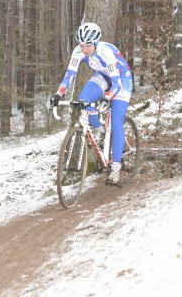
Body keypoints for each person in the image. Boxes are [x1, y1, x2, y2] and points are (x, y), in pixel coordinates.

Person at [48, 22, 134, 185]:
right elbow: (69, 76)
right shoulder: (78, 51)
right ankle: (101, 132)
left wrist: (107, 97)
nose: (84, 49)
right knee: (84, 100)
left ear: (95, 43)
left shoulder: (106, 52)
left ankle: (115, 168)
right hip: (102, 76)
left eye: (87, 46)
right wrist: (58, 94)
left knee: (116, 122)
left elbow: (116, 84)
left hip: (121, 79)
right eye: (81, 45)